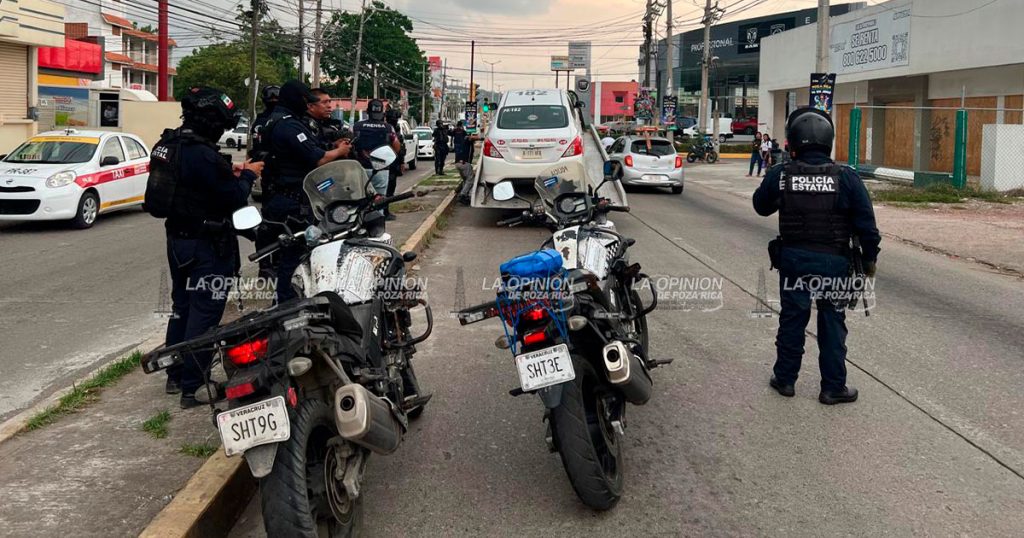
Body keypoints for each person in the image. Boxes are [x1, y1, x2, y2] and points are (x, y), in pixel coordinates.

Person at [753, 107, 881, 405]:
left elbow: (761, 206)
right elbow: (868, 228)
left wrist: (781, 179)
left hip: (795, 261)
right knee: (832, 324)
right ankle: (832, 387)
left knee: (792, 320)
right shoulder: (846, 177)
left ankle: (785, 380)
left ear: (793, 141)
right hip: (834, 263)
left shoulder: (782, 174)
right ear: (828, 140)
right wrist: (870, 261)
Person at [147, 86, 264, 408]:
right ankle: (194, 386)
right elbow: (233, 197)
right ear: (211, 121)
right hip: (207, 247)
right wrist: (249, 175)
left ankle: (175, 373)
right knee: (205, 312)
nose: (224, 129)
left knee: (182, 307)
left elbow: (195, 185)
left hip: (178, 242)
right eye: (222, 123)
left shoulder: (169, 144)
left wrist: (230, 172)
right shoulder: (204, 154)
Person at [265, 80, 351, 304]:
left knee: (296, 255)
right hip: (291, 201)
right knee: (293, 259)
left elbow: (314, 150)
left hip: (289, 197)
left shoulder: (287, 122)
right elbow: (317, 158)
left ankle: (290, 301)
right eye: (305, 100)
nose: (307, 104)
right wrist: (340, 151)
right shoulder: (288, 126)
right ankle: (286, 305)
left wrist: (332, 148)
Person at [384, 107, 407, 221]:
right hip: (387, 162)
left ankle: (385, 211)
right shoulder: (386, 129)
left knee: (390, 189)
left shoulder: (395, 129)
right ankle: (384, 212)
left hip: (394, 162)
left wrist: (402, 162)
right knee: (387, 190)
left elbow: (401, 148)